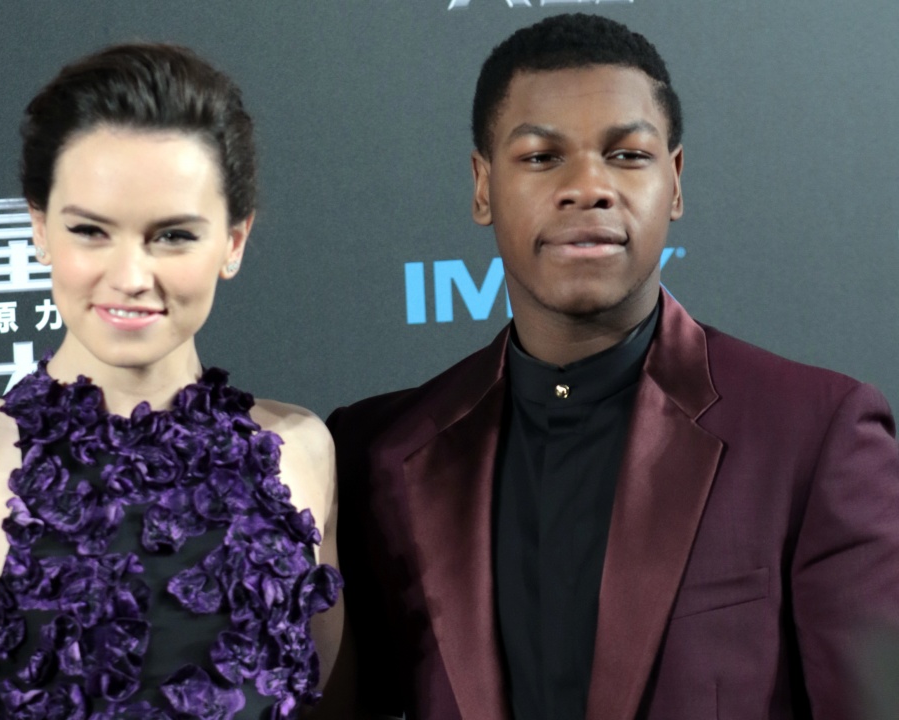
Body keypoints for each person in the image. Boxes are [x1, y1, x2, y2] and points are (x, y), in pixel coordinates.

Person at [328, 13, 899, 720]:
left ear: (677, 182)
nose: (588, 187)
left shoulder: (816, 435)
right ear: (482, 187)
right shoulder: (375, 451)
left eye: (627, 155)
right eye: (541, 157)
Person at [0, 43, 348, 720]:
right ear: (39, 228)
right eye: (91, 231)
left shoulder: (303, 451)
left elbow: (331, 701)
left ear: (234, 242)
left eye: (174, 236)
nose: (130, 276)